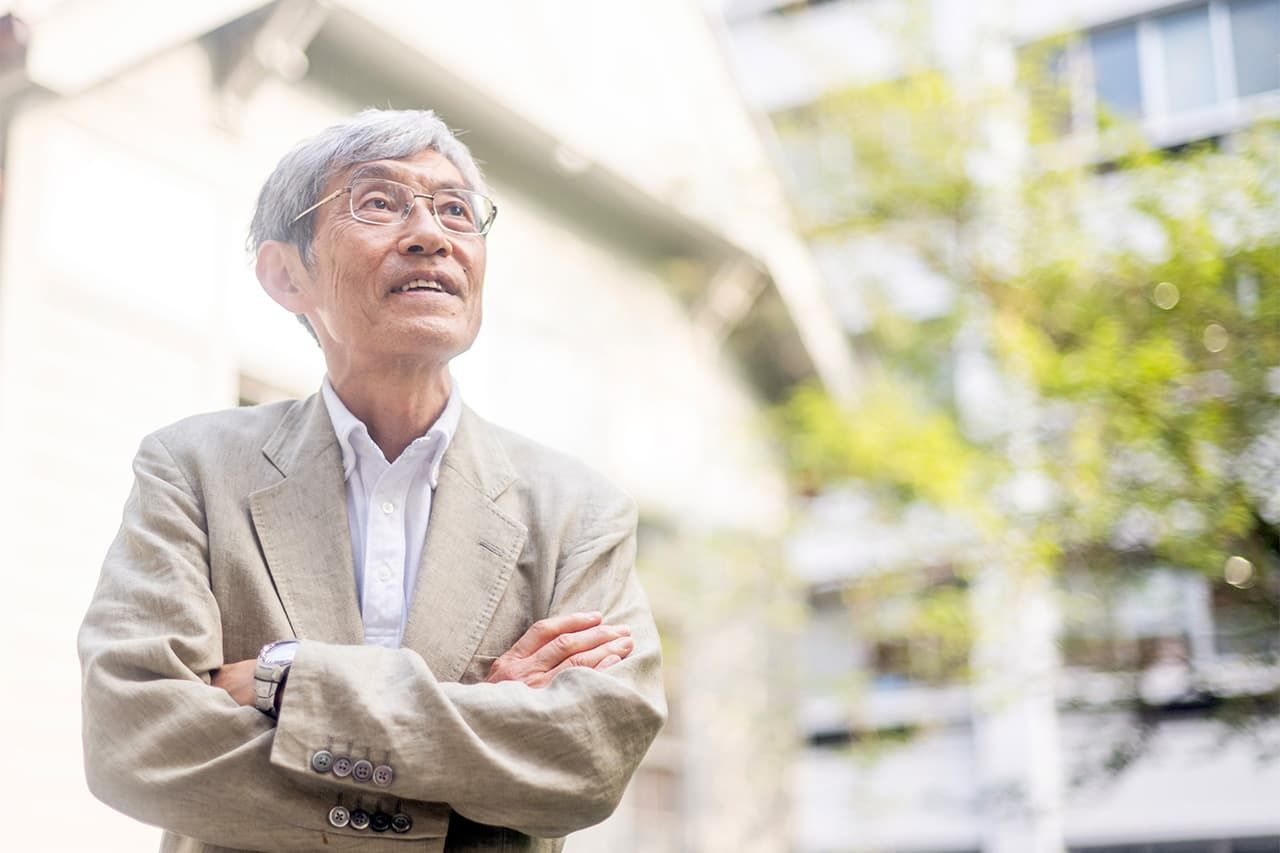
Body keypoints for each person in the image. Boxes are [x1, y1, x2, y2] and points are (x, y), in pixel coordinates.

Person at [78, 108, 666, 852]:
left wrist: (287, 678)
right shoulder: (192, 470)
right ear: (287, 273)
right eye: (380, 203)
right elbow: (136, 741)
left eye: (456, 209)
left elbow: (587, 758)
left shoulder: (578, 509)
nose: (432, 234)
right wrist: (474, 720)